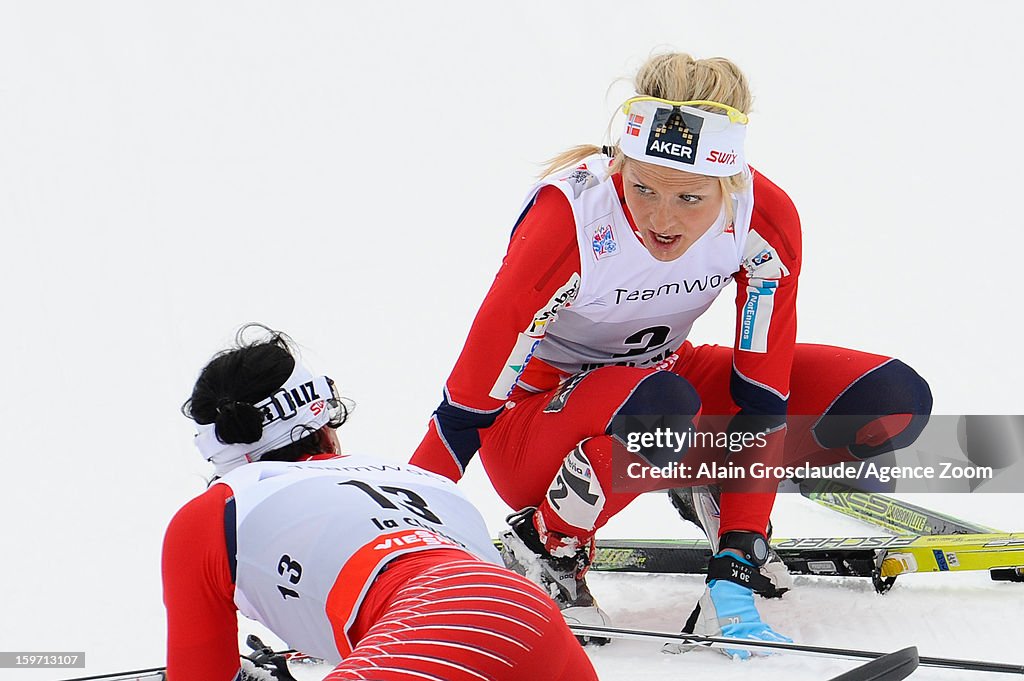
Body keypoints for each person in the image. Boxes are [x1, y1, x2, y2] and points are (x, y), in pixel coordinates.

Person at [409, 52, 933, 656]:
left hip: (663, 385)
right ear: (620, 165)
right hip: (536, 421)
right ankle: (548, 545)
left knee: (890, 402)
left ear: (730, 181)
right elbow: (464, 408)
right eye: (643, 189)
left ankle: (711, 483)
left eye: (689, 198)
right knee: (667, 404)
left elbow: (762, 397)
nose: (661, 219)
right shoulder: (570, 217)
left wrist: (738, 549)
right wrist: (399, 545)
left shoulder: (762, 216)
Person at [162, 326, 598, 681]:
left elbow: (199, 675)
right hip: (530, 615)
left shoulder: (218, 511)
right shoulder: (422, 480)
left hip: (430, 621)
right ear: (326, 426)